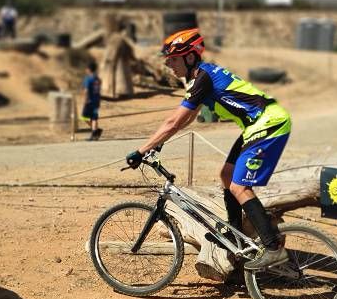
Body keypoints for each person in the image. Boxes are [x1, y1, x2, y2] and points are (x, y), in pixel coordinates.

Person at [125, 28, 291, 270]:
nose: (169, 65)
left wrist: (141, 151)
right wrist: (159, 143)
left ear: (190, 57)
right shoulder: (201, 77)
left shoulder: (203, 77)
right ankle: (234, 233)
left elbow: (173, 121)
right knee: (226, 175)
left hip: (269, 123)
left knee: (239, 186)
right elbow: (188, 117)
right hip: (259, 123)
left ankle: (273, 248)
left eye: (173, 59)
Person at [81, 62, 102, 141]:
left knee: (84, 117)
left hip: (89, 101)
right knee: (94, 118)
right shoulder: (97, 79)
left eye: (86, 69)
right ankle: (95, 132)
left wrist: (85, 100)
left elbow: (86, 90)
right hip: (96, 101)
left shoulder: (88, 78)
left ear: (89, 69)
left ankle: (95, 131)